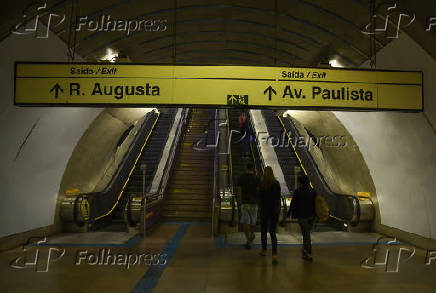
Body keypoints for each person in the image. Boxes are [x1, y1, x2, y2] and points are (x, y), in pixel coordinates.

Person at [287, 174, 317, 261]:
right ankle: (305, 251)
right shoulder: (313, 191)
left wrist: (288, 215)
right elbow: (316, 204)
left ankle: (309, 253)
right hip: (312, 216)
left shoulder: (297, 192)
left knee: (306, 235)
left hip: (302, 216)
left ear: (300, 182)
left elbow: (292, 204)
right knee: (306, 234)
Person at [259, 166, 281, 264]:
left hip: (264, 210)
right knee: (272, 233)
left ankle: (264, 250)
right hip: (273, 210)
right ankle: (274, 255)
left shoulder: (261, 184)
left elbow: (259, 198)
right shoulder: (276, 184)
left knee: (263, 231)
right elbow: (278, 198)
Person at [237, 162, 260, 249]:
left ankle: (248, 240)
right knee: (253, 221)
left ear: (246, 168)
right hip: (254, 203)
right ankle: (251, 235)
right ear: (253, 169)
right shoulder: (257, 178)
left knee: (245, 221)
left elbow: (239, 191)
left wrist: (240, 201)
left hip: (245, 202)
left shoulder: (241, 178)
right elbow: (258, 190)